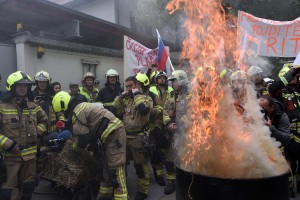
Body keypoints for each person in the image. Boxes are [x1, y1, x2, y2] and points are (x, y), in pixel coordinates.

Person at [52, 91, 128, 200]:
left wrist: (74, 148)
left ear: (63, 107)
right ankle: (105, 195)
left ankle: (121, 197)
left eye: (61, 112)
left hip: (114, 136)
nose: (63, 115)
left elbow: (82, 140)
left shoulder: (76, 113)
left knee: (115, 169)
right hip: (110, 135)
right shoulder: (81, 107)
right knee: (105, 167)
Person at [0, 71, 48, 200]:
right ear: (12, 86)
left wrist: (38, 131)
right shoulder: (2, 107)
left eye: (26, 86)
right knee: (6, 193)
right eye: (20, 85)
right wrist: (8, 144)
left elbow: (44, 120)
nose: (23, 88)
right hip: (10, 158)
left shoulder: (34, 107)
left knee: (28, 190)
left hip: (30, 158)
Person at [113, 74, 153, 200]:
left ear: (137, 85)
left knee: (140, 166)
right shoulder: (126, 100)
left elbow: (144, 110)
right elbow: (113, 110)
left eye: (131, 86)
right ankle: (122, 187)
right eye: (126, 86)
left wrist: (136, 94)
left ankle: (143, 191)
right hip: (125, 136)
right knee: (122, 164)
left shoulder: (146, 98)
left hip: (138, 138)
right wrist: (121, 96)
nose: (128, 88)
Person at [268, 63, 300, 197]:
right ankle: (288, 188)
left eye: (296, 76)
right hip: (287, 133)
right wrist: (291, 72)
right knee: (287, 162)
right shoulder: (279, 92)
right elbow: (273, 87)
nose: (294, 79)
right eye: (291, 76)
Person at [163, 70, 190, 195]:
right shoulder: (171, 95)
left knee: (185, 159)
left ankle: (186, 182)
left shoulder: (190, 96)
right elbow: (165, 111)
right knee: (170, 159)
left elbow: (193, 115)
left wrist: (180, 125)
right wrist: (168, 123)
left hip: (186, 134)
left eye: (173, 81)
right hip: (172, 133)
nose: (172, 84)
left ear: (180, 80)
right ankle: (171, 182)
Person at [148, 71, 175, 187]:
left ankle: (171, 179)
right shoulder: (151, 90)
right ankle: (159, 176)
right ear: (156, 80)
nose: (162, 80)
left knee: (168, 152)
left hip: (169, 123)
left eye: (164, 78)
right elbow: (149, 107)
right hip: (155, 124)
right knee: (156, 152)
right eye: (160, 78)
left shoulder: (171, 91)